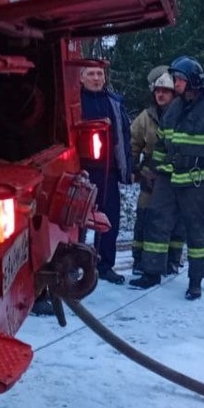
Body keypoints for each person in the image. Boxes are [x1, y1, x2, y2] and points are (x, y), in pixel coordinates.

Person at [129, 56, 204, 300]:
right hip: (169, 179)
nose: (174, 83)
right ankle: (151, 273)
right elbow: (161, 144)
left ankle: (196, 281)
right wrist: (154, 170)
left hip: (197, 181)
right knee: (157, 222)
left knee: (197, 230)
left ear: (192, 82)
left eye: (178, 79)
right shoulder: (174, 109)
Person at [77, 59, 133, 284]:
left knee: (109, 221)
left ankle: (105, 264)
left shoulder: (115, 103)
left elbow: (125, 137)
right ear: (81, 77)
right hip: (82, 174)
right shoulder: (75, 102)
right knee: (77, 221)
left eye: (99, 74)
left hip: (108, 172)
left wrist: (127, 168)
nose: (96, 78)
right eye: (91, 74)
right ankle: (75, 265)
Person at [130, 69, 183, 275]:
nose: (160, 95)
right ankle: (139, 261)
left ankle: (172, 261)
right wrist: (136, 169)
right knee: (144, 217)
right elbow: (133, 144)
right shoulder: (145, 118)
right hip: (150, 177)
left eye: (166, 92)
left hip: (175, 176)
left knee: (175, 221)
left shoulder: (182, 115)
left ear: (174, 94)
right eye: (158, 91)